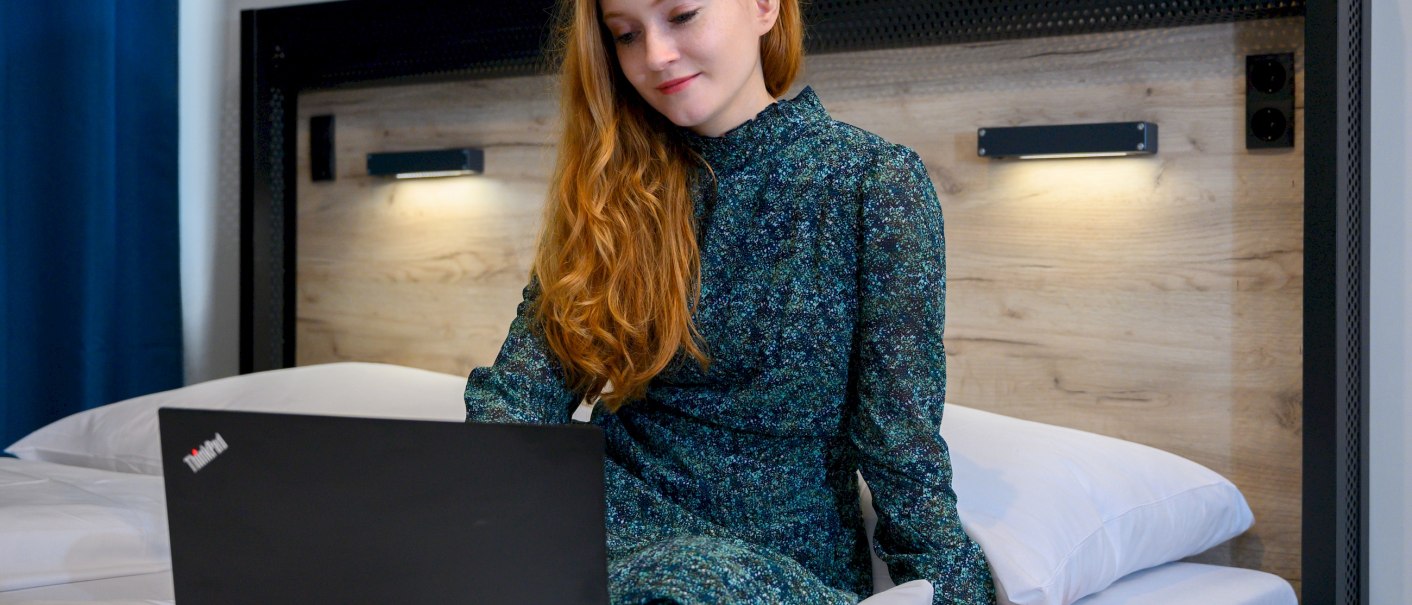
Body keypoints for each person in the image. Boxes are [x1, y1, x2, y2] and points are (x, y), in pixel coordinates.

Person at [463, 0, 996, 602]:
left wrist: (954, 590)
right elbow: (520, 394)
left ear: (765, 7)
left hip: (764, 561)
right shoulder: (608, 192)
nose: (655, 56)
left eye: (683, 16)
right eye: (626, 35)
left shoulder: (872, 182)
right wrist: (478, 522)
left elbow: (899, 439)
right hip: (602, 518)